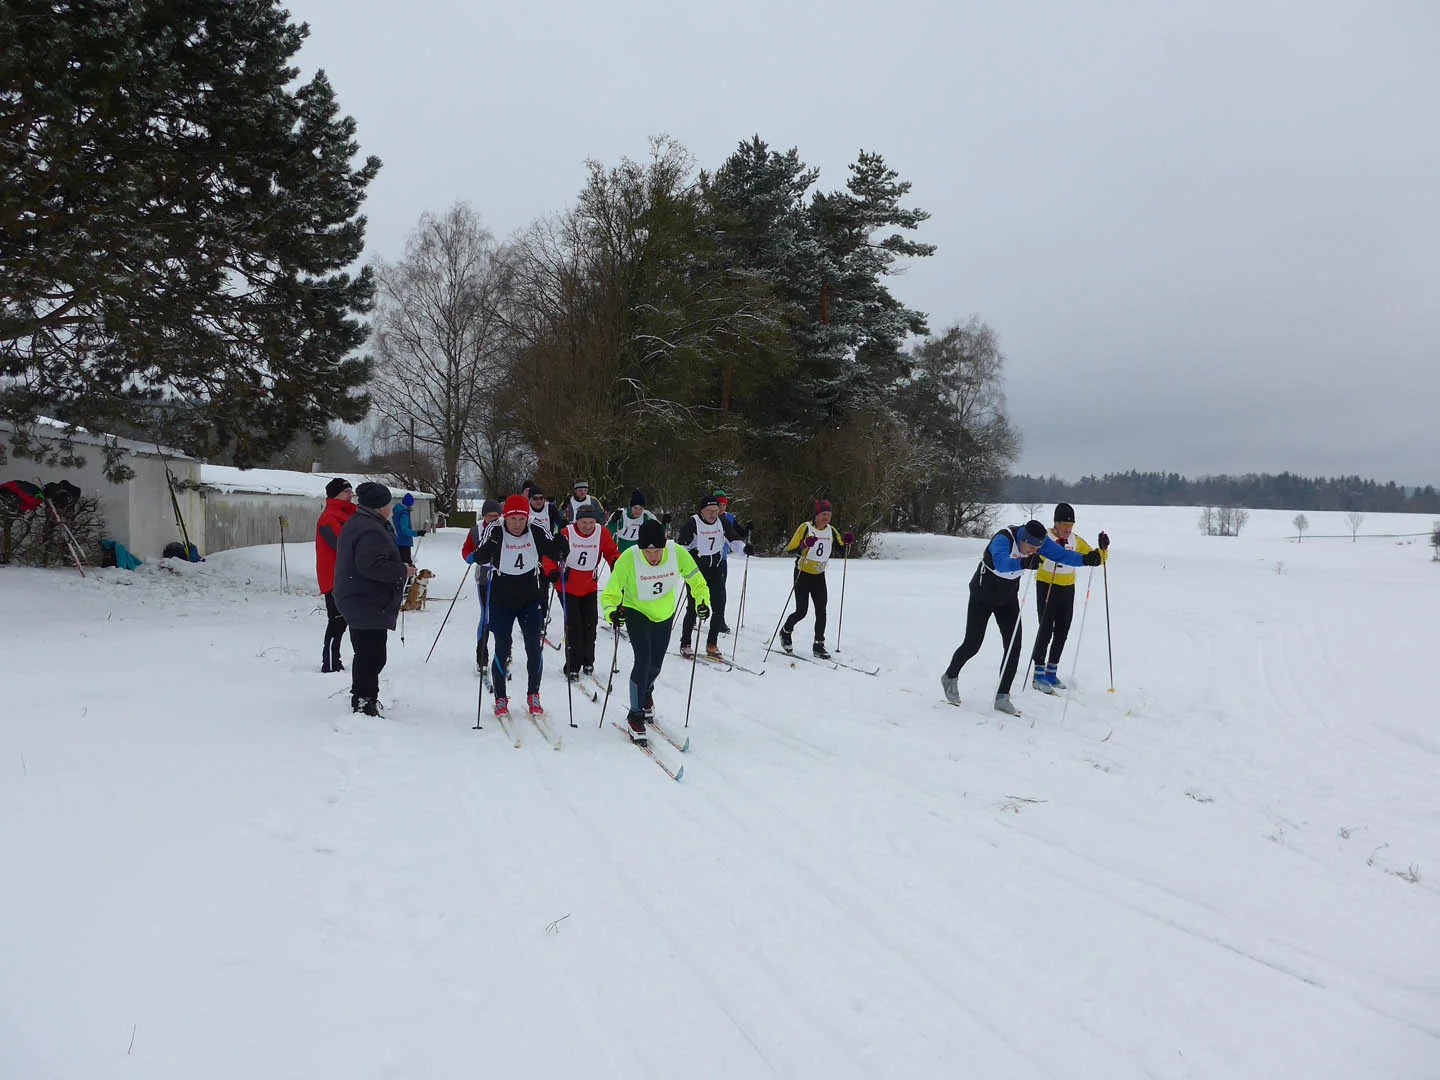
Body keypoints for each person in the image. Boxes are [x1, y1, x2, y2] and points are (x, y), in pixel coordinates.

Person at [941, 519, 1099, 715]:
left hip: (1007, 597)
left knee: (1014, 646)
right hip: (983, 594)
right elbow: (1001, 563)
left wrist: (1086, 559)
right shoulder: (1003, 539)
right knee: (973, 643)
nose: (1034, 551)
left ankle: (1002, 696)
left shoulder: (1039, 542)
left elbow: (1062, 555)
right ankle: (950, 676)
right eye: (1030, 547)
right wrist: (1023, 562)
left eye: (1037, 548)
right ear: (1022, 539)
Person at [600, 518, 711, 744]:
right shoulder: (629, 558)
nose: (652, 556)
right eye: (647, 552)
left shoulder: (677, 553)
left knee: (656, 664)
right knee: (643, 660)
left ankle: (646, 693)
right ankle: (635, 714)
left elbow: (697, 581)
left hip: (664, 613)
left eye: (657, 551)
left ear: (665, 544)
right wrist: (612, 611)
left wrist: (702, 602)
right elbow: (610, 592)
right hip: (636, 610)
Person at [471, 494, 567, 718]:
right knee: (502, 646)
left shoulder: (535, 527)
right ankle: (501, 698)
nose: (516, 524)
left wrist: (562, 546)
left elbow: (553, 551)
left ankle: (534, 695)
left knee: (534, 647)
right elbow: (480, 556)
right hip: (501, 597)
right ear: (506, 517)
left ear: (527, 517)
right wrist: (492, 545)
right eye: (512, 519)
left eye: (521, 519)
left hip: (529, 596)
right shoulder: (495, 527)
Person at [332, 482, 420, 715]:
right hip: (364, 599)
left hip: (359, 596)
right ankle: (365, 701)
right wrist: (402, 570)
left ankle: (361, 696)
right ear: (379, 505)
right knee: (372, 655)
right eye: (388, 502)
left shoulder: (362, 522)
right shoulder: (370, 529)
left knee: (367, 652)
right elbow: (371, 566)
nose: (391, 506)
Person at [1031, 504, 1110, 693]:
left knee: (1062, 631)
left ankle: (1051, 671)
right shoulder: (1046, 538)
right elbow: (1035, 557)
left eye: (1071, 525)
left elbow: (1097, 558)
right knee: (1045, 629)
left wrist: (1103, 548)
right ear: (1055, 523)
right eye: (1064, 524)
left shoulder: (1076, 540)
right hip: (1047, 585)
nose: (1068, 529)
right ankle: (1038, 674)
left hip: (1068, 588)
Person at [779, 500, 854, 660]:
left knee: (821, 611)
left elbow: (842, 550)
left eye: (829, 514)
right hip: (802, 573)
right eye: (823, 514)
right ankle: (786, 631)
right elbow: (790, 548)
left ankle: (818, 645)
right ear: (817, 515)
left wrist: (847, 542)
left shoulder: (831, 531)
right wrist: (805, 543)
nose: (827, 517)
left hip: (819, 575)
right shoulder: (806, 528)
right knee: (802, 611)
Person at [552, 503, 619, 679]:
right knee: (575, 626)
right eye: (583, 523)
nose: (587, 527)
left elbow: (611, 552)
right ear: (577, 521)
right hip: (567, 586)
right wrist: (552, 572)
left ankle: (588, 660)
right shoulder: (567, 533)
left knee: (590, 624)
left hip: (589, 585)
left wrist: (616, 565)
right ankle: (573, 665)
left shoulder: (602, 533)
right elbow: (550, 555)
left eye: (591, 522)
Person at [676, 494, 743, 659]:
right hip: (696, 572)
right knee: (694, 607)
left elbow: (733, 539)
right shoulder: (693, 523)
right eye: (710, 511)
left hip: (716, 569)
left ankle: (711, 644)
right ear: (702, 511)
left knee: (719, 607)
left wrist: (744, 548)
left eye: (716, 510)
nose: (713, 514)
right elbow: (680, 548)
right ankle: (685, 643)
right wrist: (691, 555)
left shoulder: (722, 522)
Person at [315, 477, 357, 673]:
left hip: (346, 575)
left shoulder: (347, 515)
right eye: (346, 492)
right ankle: (330, 662)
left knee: (343, 620)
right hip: (334, 577)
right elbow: (342, 544)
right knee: (337, 620)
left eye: (351, 491)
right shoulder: (329, 517)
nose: (351, 495)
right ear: (335, 494)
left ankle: (335, 659)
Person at [460, 499, 503, 672]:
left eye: (496, 515)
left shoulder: (506, 526)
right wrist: (470, 557)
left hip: (504, 575)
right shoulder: (476, 530)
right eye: (490, 516)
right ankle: (482, 656)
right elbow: (466, 549)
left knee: (502, 615)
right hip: (485, 575)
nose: (493, 519)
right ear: (484, 515)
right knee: (485, 614)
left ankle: (504, 652)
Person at [392, 492, 416, 565]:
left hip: (398, 541)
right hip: (403, 542)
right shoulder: (404, 514)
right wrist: (417, 533)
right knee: (406, 564)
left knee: (401, 563)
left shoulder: (398, 512)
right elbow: (404, 529)